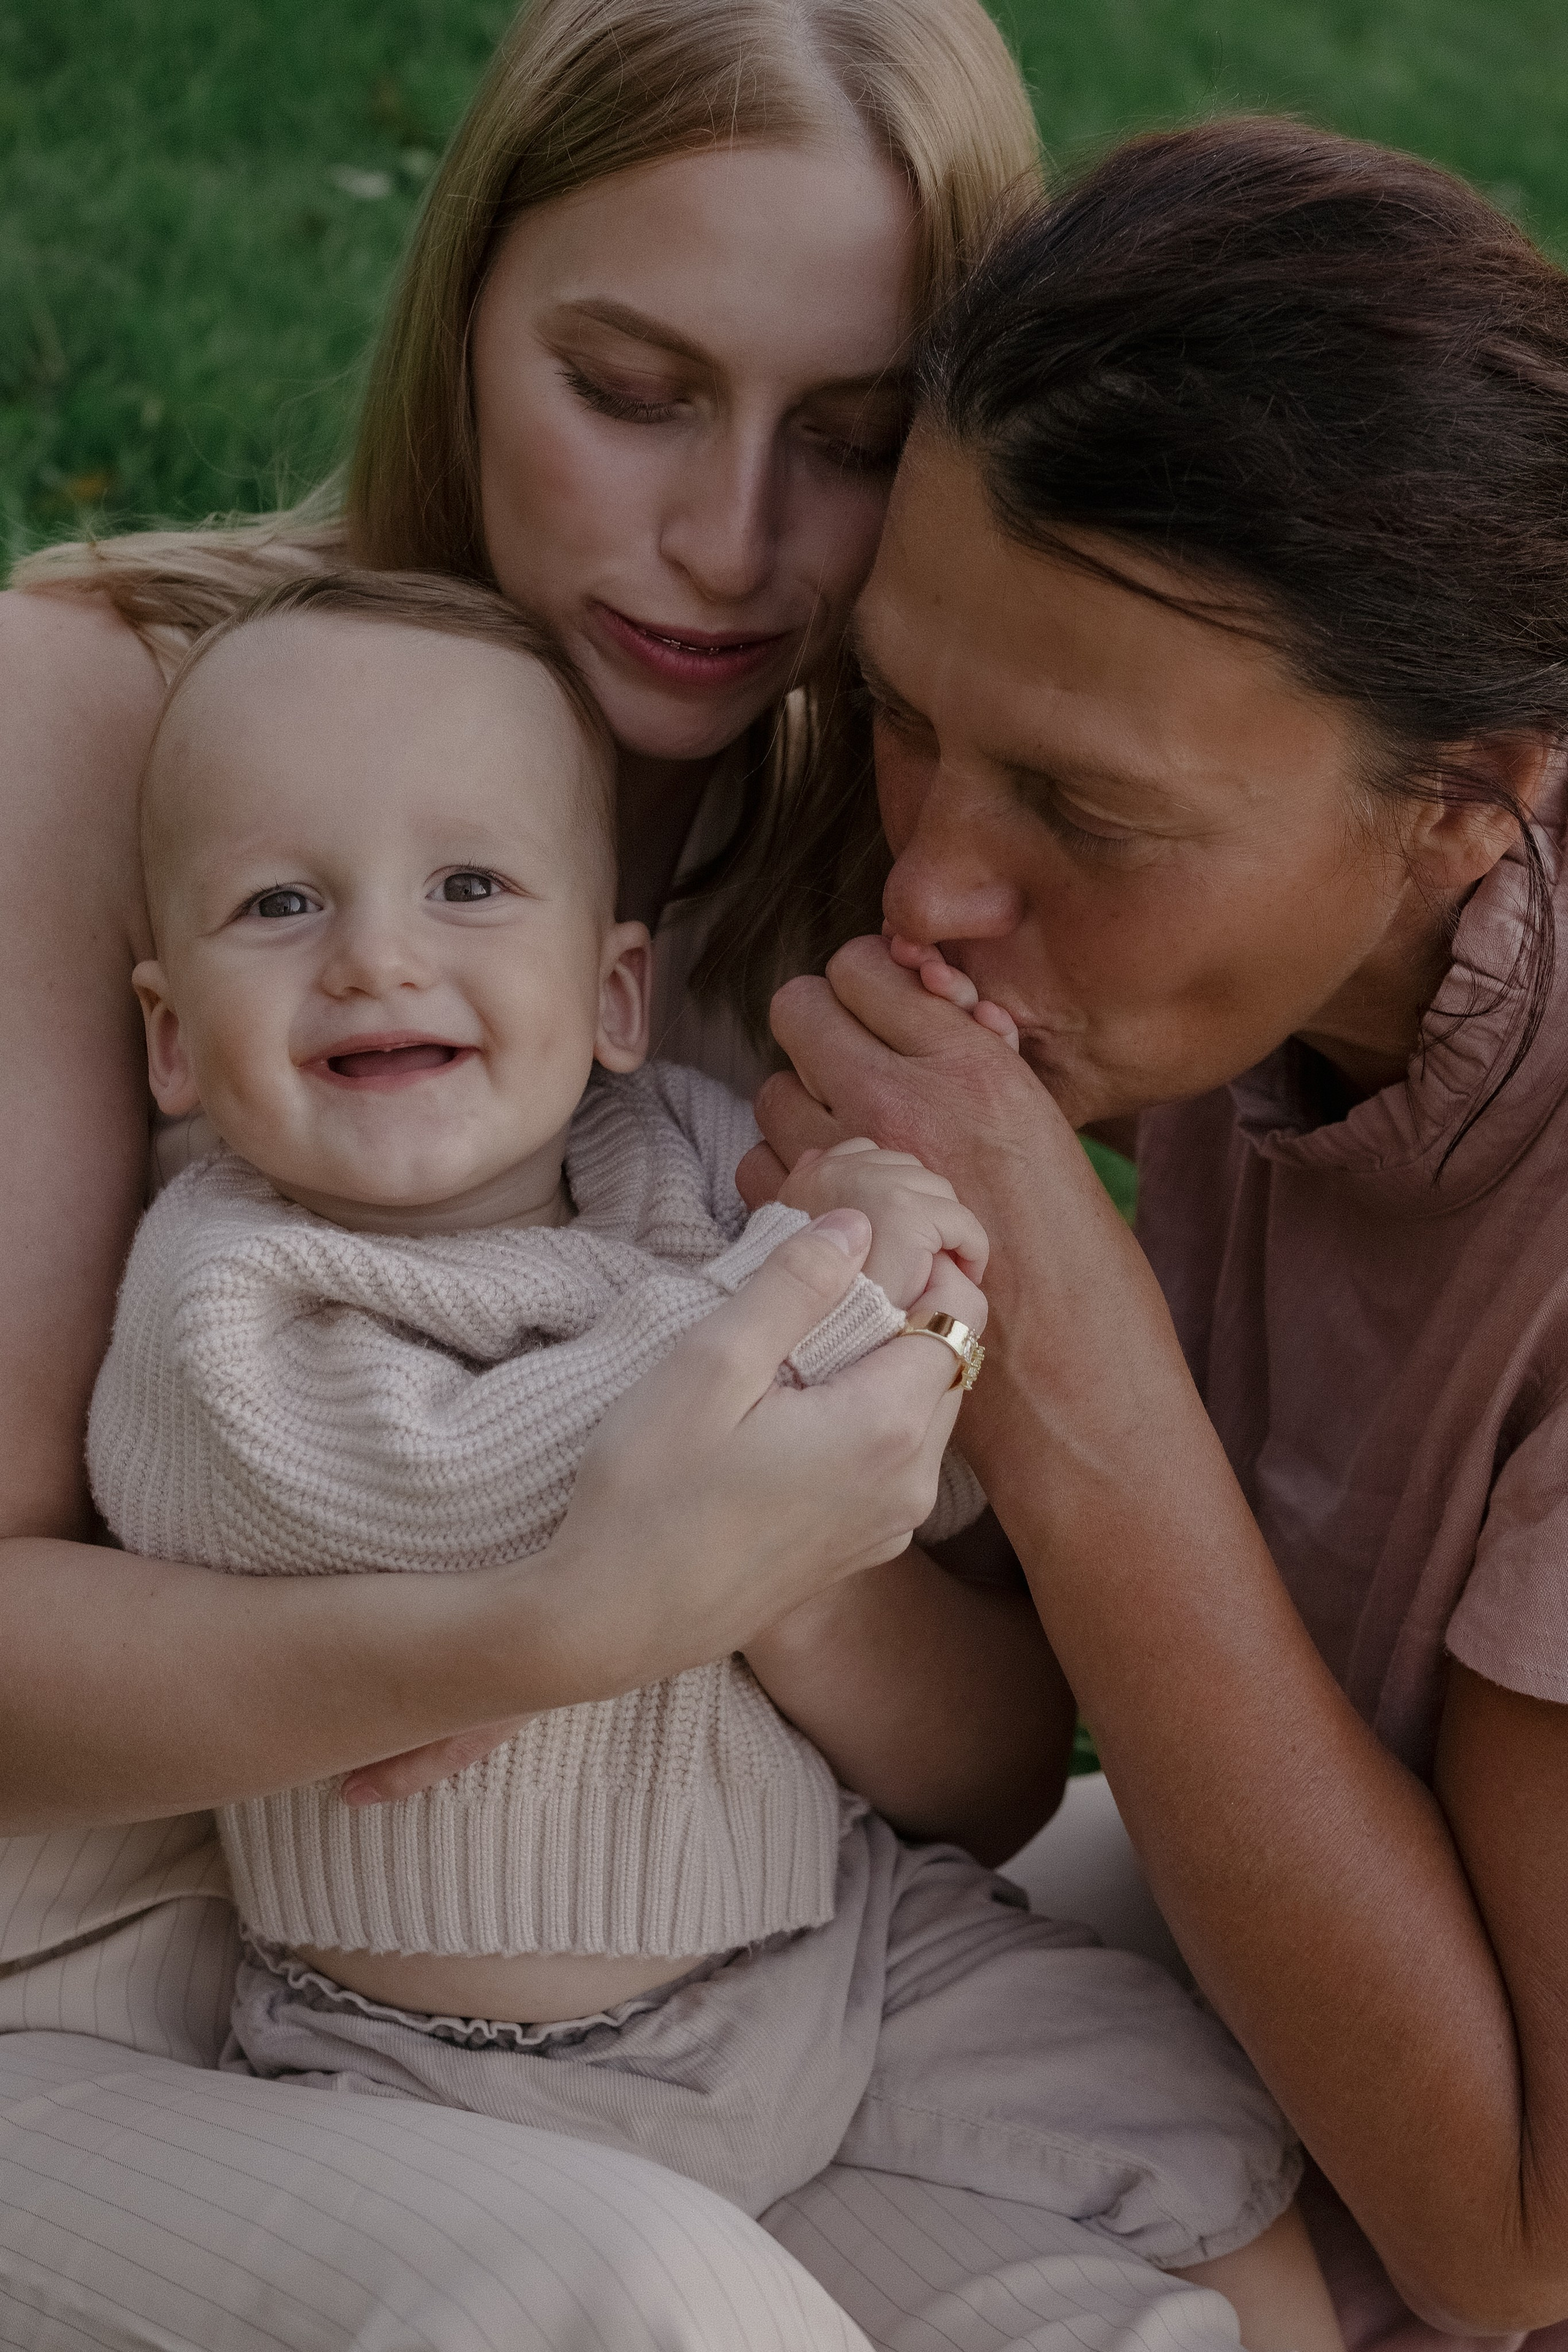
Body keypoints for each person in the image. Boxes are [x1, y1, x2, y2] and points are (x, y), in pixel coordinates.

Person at [0, 2, 1105, 2343]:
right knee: (651, 2302)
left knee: (1142, 2229)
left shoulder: (878, 916)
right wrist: (554, 1624)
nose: (726, 541)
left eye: (850, 437)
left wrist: (784, 1546)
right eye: (627, 389)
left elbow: (1000, 1755)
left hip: (656, 2001)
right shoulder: (89, 724)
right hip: (71, 2003)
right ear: (463, 320)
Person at [85, 565, 1335, 2348]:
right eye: (280, 902)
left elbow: (910, 1480)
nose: (376, 952)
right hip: (448, 2076)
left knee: (1185, 2111)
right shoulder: (228, 1304)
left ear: (613, 994)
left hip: (826, 1953)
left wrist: (911, 1292)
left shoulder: (690, 1162)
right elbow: (471, 1480)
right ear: (168, 1041)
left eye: (468, 886)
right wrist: (823, 1295)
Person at [745, 121, 1568, 2352]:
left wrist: (1074, 1356)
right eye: (909, 721)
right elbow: (1002, 1708)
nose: (926, 893)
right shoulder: (1239, 972)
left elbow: (1517, 2234)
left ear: (1476, 795)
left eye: (1091, 814)